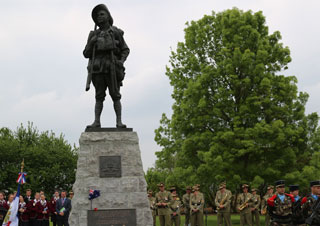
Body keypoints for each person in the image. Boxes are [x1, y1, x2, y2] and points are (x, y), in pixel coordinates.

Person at [84, 4, 130, 129]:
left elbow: (125, 49)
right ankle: (97, 121)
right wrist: (92, 42)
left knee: (115, 95)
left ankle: (119, 122)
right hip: (98, 68)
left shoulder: (115, 32)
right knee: (99, 96)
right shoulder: (93, 35)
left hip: (112, 66)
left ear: (108, 16)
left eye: (102, 14)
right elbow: (86, 54)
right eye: (97, 15)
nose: (99, 16)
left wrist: (121, 61)